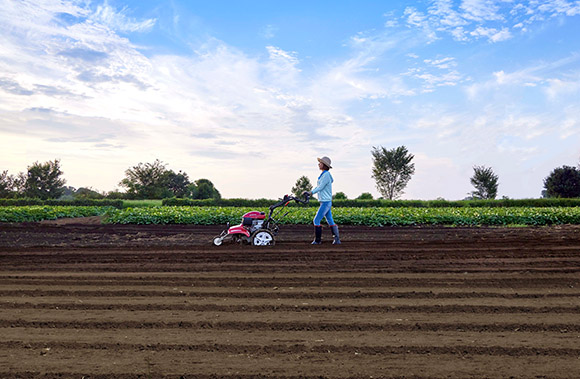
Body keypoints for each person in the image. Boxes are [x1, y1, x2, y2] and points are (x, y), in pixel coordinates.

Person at [303, 156, 341, 245]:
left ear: (324, 165)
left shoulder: (326, 175)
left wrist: (310, 192)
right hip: (325, 201)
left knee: (316, 220)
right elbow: (319, 187)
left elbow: (320, 187)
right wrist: (310, 192)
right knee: (330, 220)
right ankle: (337, 239)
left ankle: (317, 240)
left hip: (325, 202)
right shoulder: (323, 175)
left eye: (320, 163)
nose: (318, 164)